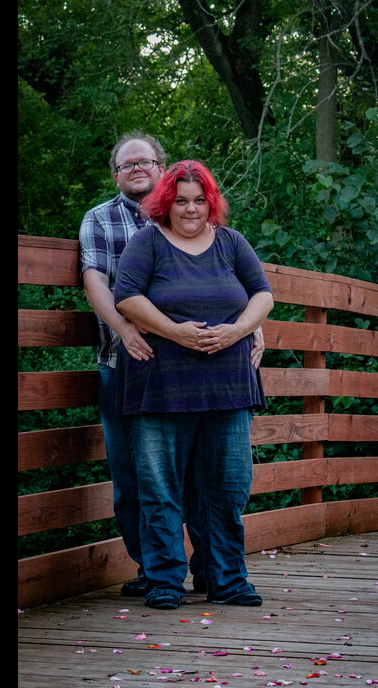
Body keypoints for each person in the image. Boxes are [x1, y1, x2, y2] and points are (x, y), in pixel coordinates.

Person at [78, 133, 264, 598]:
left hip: (226, 384)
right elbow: (121, 293)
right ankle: (161, 578)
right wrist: (168, 331)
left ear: (210, 203)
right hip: (157, 379)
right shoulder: (140, 238)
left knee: (225, 487)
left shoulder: (232, 242)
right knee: (152, 485)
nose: (190, 209)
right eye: (181, 201)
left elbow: (262, 293)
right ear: (167, 200)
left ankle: (225, 578)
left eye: (199, 200)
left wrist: (242, 329)